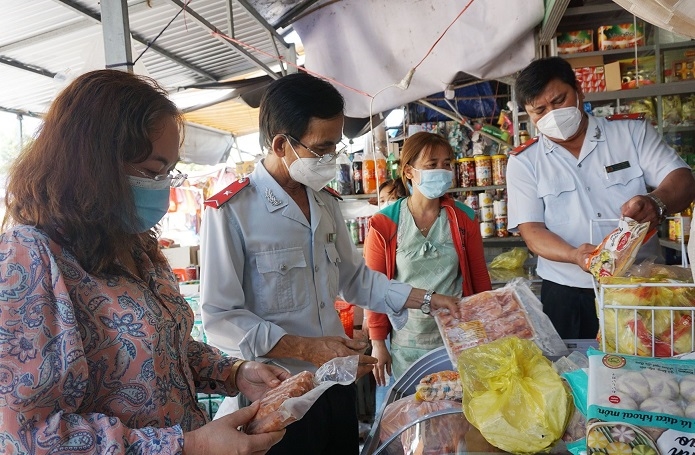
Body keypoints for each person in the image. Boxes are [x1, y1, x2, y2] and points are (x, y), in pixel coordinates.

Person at [0, 69, 291, 455]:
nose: (162, 187)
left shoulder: (136, 246)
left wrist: (235, 372)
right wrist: (186, 447)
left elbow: (166, 349)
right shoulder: (30, 260)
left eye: (169, 172)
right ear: (93, 164)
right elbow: (27, 435)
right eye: (152, 172)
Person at [199, 72, 460, 455]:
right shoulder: (231, 211)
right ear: (281, 144)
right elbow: (220, 318)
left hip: (335, 384)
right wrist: (308, 349)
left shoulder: (324, 201)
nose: (330, 159)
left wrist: (426, 299)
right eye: (322, 148)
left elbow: (355, 280)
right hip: (277, 395)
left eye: (335, 146)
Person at [507, 56, 695, 339]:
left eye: (559, 101)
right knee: (575, 373)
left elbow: (682, 179)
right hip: (567, 294)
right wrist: (574, 255)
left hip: (639, 287)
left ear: (579, 90)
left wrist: (656, 202)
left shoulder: (630, 133)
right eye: (539, 111)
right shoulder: (525, 161)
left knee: (647, 368)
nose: (552, 115)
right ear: (528, 115)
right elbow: (531, 231)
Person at [364, 132, 492, 387]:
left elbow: (479, 277)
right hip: (407, 342)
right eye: (432, 164)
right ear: (409, 171)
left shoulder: (464, 218)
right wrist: (378, 343)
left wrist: (490, 325)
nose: (442, 170)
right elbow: (373, 287)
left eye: (447, 164)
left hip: (458, 337)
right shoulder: (384, 223)